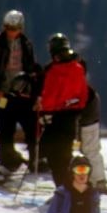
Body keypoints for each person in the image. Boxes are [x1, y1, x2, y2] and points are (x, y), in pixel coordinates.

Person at [0, 10, 41, 172]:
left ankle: (35, 160)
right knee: (6, 129)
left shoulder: (26, 44)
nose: (11, 31)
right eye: (8, 28)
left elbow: (31, 67)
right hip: (4, 93)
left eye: (14, 28)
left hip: (23, 93)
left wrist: (34, 89)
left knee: (31, 127)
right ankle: (7, 162)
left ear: (21, 28)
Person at [37, 35, 89, 186]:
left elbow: (50, 97)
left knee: (55, 157)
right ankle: (70, 187)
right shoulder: (78, 68)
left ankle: (63, 189)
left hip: (56, 118)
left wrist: (43, 110)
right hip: (72, 117)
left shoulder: (54, 71)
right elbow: (83, 94)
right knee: (65, 155)